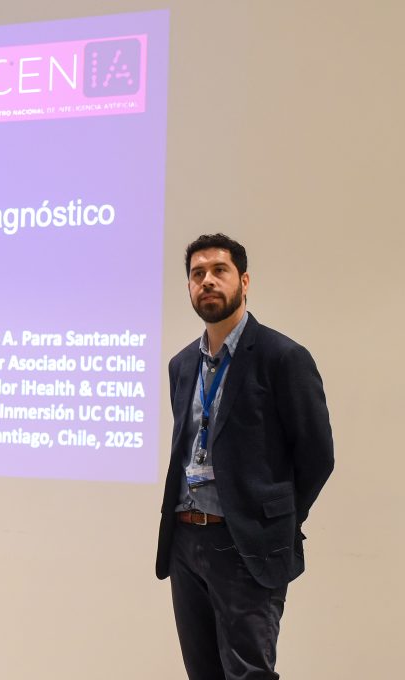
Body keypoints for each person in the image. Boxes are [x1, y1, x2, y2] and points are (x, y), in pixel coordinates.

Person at [156, 233, 334, 679]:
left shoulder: (282, 357)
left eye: (220, 270)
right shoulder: (182, 365)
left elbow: (317, 455)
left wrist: (272, 520)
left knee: (248, 673)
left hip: (245, 545)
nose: (207, 281)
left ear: (244, 281)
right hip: (185, 541)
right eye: (197, 274)